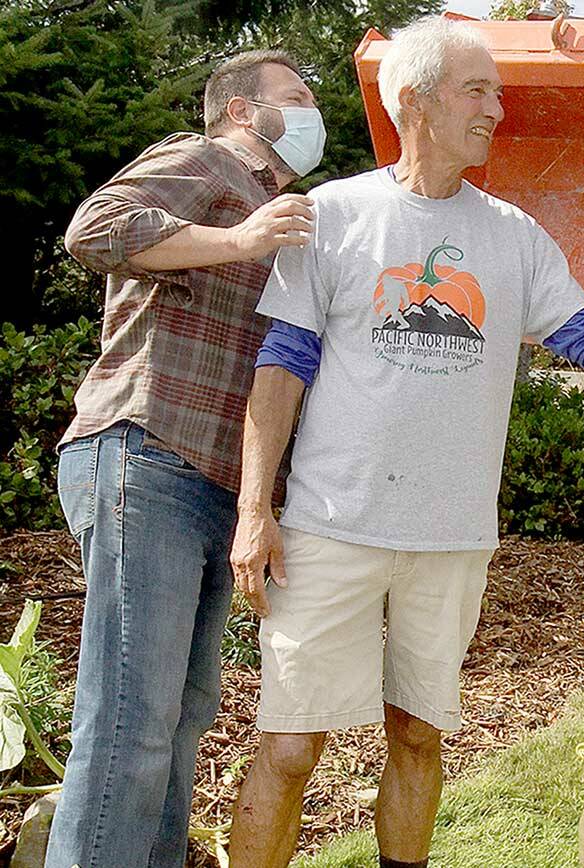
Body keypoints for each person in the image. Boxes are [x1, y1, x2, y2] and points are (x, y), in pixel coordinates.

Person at [225, 16, 584, 868]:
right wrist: (254, 510)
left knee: (417, 738)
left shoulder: (513, 237)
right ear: (413, 100)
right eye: (477, 90)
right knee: (292, 749)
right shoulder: (333, 216)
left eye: (497, 90)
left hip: (450, 538)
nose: (497, 108)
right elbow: (281, 365)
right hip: (331, 529)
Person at [49, 50, 325, 868]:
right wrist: (236, 235)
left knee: (177, 719)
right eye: (298, 97)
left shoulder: (283, 211)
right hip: (148, 453)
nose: (316, 112)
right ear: (243, 113)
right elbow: (92, 228)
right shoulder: (202, 158)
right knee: (131, 720)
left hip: (215, 484)